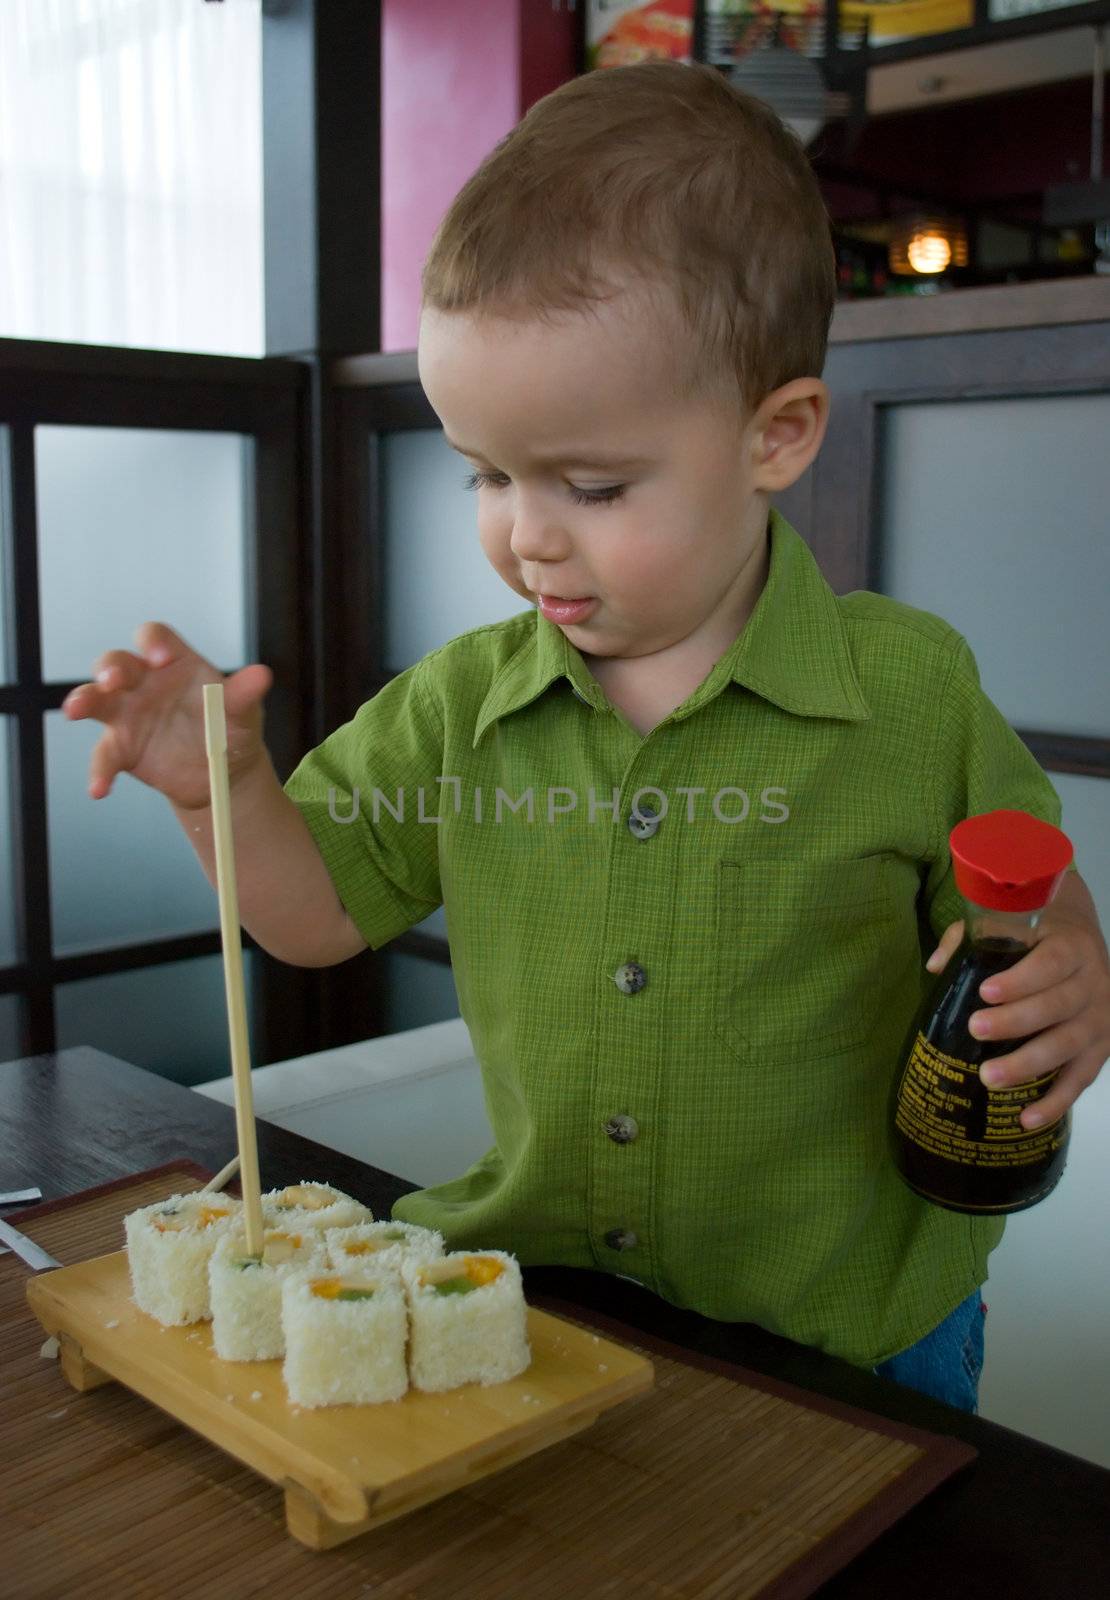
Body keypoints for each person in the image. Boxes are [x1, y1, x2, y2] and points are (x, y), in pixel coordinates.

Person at [64, 62, 1110, 1413]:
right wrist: (225, 790)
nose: (525, 532)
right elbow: (314, 918)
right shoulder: (458, 702)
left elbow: (1021, 892)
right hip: (538, 1305)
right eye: (487, 473)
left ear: (774, 436)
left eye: (593, 483)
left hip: (849, 1330)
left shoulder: (904, 690)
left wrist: (1073, 963)